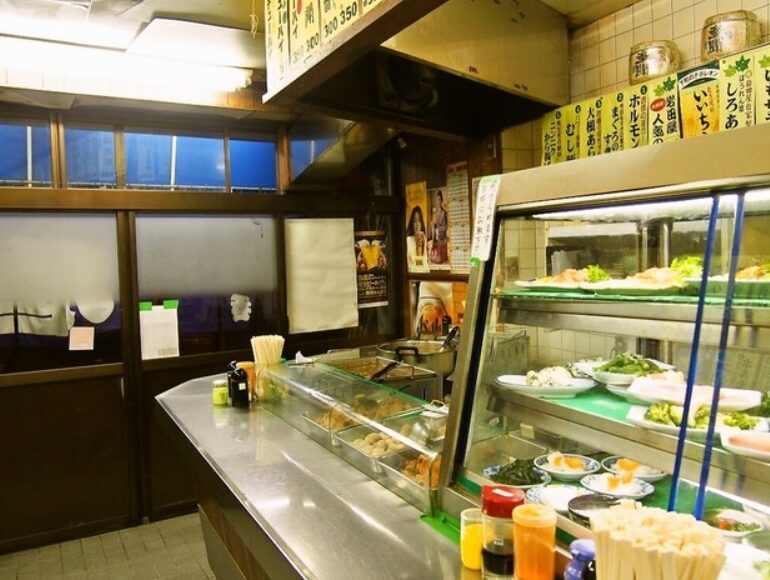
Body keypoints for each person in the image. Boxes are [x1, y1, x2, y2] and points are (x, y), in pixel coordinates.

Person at [430, 190, 448, 264]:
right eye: (437, 199)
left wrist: (438, 229)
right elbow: (432, 225)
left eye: (439, 199)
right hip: (434, 239)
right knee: (433, 258)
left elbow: (445, 227)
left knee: (439, 259)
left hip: (442, 238)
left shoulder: (444, 213)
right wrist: (432, 225)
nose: (438, 201)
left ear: (442, 200)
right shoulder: (434, 211)